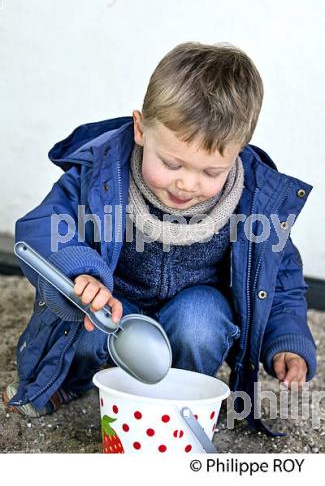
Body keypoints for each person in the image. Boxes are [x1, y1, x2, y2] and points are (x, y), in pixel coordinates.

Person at [3, 42, 316, 435]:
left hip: (193, 308)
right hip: (116, 301)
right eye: (171, 163)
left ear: (238, 153)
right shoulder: (101, 173)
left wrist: (287, 339)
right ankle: (67, 380)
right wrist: (79, 272)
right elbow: (45, 224)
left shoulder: (254, 203)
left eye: (210, 172)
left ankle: (180, 391)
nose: (187, 183)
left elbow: (279, 277)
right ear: (140, 129)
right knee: (84, 316)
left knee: (202, 321)